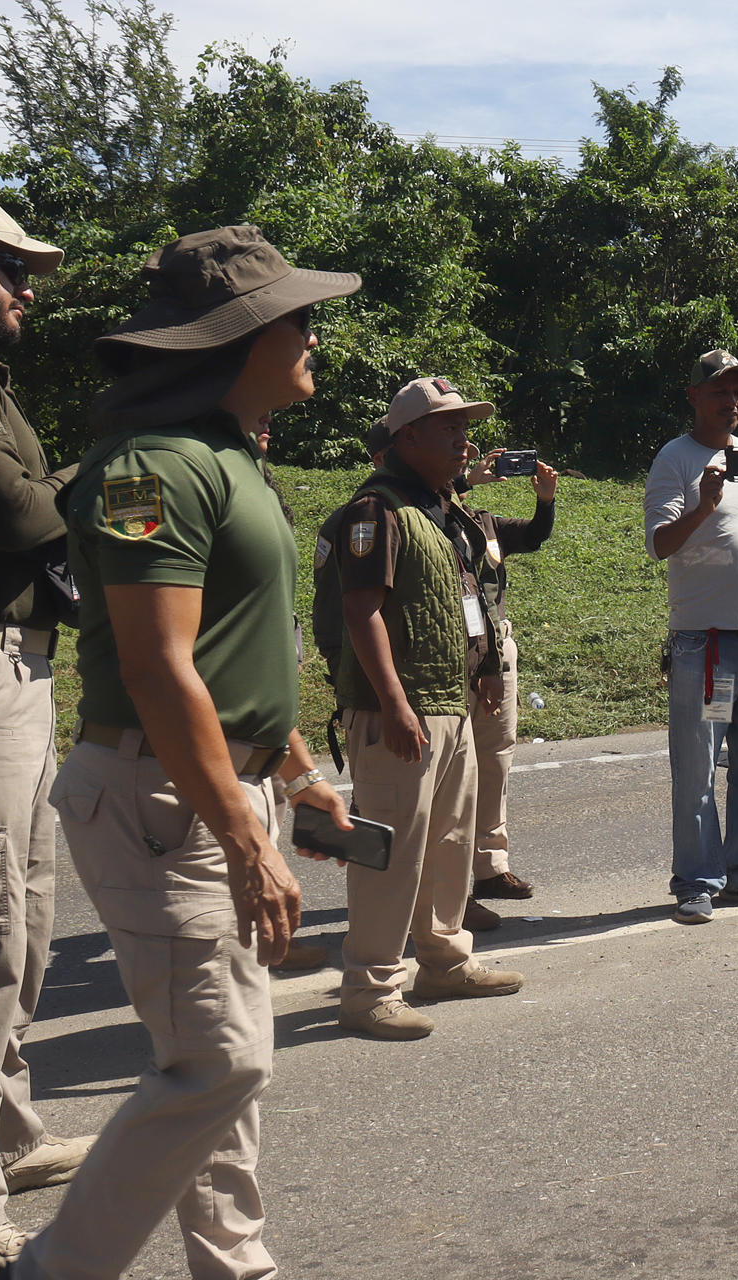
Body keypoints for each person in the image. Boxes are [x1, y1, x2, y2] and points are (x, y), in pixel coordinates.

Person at [20, 225, 358, 1279]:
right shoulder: (149, 466)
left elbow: (231, 652)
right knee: (219, 1058)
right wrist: (242, 838)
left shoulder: (228, 455)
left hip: (216, 782)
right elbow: (161, 667)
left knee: (218, 1054)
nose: (314, 334)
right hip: (163, 795)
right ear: (240, 332)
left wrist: (295, 773)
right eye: (298, 316)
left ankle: (235, 1258)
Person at [0, 194, 95, 1276]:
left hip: (12, 656)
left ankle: (8, 1132)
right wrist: (90, 472)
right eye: (10, 267)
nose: (28, 287)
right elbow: (25, 515)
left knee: (26, 911)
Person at [325, 378, 526, 1039]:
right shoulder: (374, 509)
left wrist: (488, 666)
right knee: (388, 854)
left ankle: (442, 960)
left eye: (464, 426)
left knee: (448, 844)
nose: (463, 439)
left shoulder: (443, 512)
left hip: (452, 703)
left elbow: (468, 597)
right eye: (448, 427)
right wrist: (392, 701)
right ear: (406, 436)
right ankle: (370, 990)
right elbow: (362, 610)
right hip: (401, 713)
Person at [644, 349, 738, 925]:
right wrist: (704, 506)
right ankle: (696, 882)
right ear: (694, 397)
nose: (730, 402)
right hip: (707, 646)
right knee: (699, 766)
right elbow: (661, 544)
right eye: (718, 392)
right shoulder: (676, 460)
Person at [456, 445, 559, 931]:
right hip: (451, 659)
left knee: (494, 759)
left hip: (496, 650)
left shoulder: (485, 523)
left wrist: (545, 499)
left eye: (471, 459)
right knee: (451, 769)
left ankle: (490, 868)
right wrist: (466, 483)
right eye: (459, 459)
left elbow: (536, 535)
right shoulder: (423, 512)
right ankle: (442, 879)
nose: (466, 463)